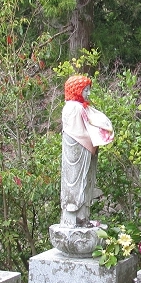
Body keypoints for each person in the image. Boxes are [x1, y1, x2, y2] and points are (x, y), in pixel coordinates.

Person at [60, 75, 114, 226]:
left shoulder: (81, 107)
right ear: (77, 90)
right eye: (86, 90)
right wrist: (94, 140)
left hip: (84, 150)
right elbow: (78, 133)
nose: (88, 94)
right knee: (76, 182)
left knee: (85, 182)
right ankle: (74, 216)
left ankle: (82, 216)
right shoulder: (73, 108)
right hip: (77, 152)